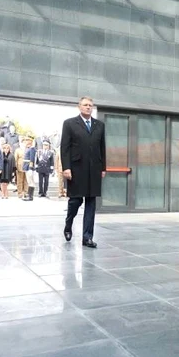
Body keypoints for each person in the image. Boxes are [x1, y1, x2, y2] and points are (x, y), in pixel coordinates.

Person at [60, 97, 106, 248]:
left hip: (94, 170)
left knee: (91, 203)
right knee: (76, 201)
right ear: (79, 107)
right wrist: (66, 167)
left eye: (90, 106)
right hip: (76, 169)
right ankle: (68, 224)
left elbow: (102, 148)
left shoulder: (99, 125)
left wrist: (103, 168)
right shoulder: (69, 124)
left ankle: (87, 237)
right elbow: (64, 148)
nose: (88, 107)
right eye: (85, 105)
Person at [22, 137, 37, 201]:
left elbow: (32, 159)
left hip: (29, 167)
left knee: (31, 182)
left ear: (31, 141)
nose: (26, 141)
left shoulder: (32, 149)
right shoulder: (27, 148)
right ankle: (29, 195)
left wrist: (31, 168)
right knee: (29, 181)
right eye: (26, 140)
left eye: (27, 140)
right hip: (26, 166)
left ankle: (30, 196)